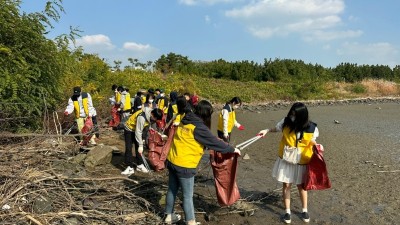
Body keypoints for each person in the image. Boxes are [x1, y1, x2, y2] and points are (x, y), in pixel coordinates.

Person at [164, 97, 241, 225]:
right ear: (206, 115)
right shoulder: (199, 127)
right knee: (188, 196)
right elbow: (215, 142)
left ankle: (168, 216)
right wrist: (232, 149)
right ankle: (191, 222)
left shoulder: (186, 118)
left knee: (172, 189)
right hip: (185, 166)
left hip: (172, 160)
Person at [258, 102, 319, 224]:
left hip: (301, 161)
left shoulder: (312, 127)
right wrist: (267, 130)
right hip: (286, 158)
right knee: (286, 185)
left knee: (301, 186)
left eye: (295, 115)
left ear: (302, 116)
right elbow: (276, 129)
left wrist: (317, 146)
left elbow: (312, 140)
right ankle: (287, 212)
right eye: (291, 113)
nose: (292, 116)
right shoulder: (286, 122)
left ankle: (304, 210)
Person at [121, 107, 163, 175]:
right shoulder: (142, 117)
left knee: (139, 148)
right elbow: (138, 131)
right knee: (129, 148)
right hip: (129, 129)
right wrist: (141, 145)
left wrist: (144, 137)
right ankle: (129, 167)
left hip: (137, 129)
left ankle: (140, 165)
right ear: (152, 115)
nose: (155, 120)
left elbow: (146, 126)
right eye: (156, 119)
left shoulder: (150, 115)